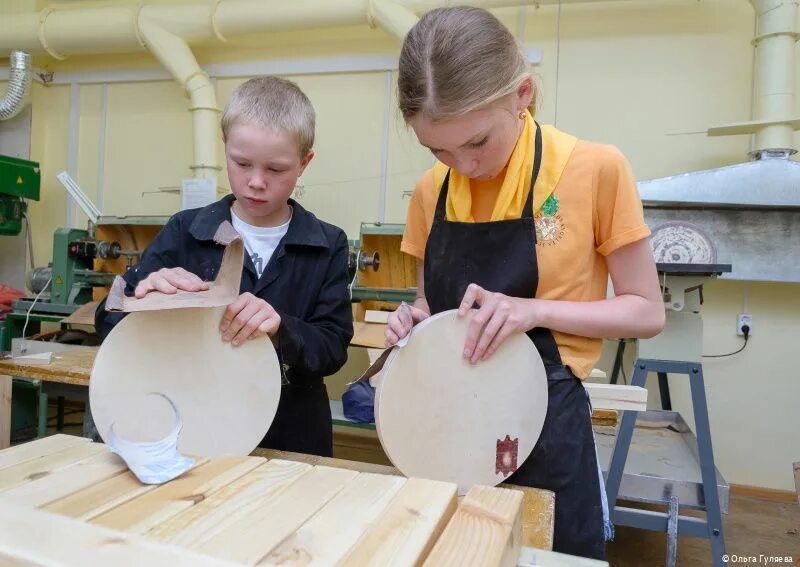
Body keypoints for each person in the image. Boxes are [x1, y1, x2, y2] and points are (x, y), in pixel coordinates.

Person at [385, 7, 665, 559]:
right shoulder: (430, 191)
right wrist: (415, 320)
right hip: (445, 418)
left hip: (547, 426)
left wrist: (535, 311)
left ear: (523, 93)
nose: (462, 165)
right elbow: (428, 301)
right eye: (438, 149)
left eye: (478, 142)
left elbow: (645, 312)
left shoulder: (595, 169)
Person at [95, 76, 353, 457]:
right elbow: (108, 322)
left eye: (277, 169)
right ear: (225, 147)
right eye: (242, 163)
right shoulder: (186, 230)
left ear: (304, 163)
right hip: (194, 435)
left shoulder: (327, 243)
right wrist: (147, 297)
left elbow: (332, 350)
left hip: (291, 438)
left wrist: (282, 328)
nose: (256, 182)